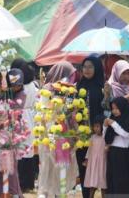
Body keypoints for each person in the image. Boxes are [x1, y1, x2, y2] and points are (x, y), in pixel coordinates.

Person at [37, 61, 79, 197]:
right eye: (70, 75)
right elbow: (43, 112)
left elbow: (72, 114)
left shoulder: (71, 91)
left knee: (63, 167)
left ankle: (60, 193)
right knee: (49, 166)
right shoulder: (48, 88)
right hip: (50, 131)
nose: (72, 79)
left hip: (66, 131)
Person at [0, 68, 25, 198]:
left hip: (11, 132)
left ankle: (12, 192)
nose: (15, 88)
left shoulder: (22, 94)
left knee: (9, 164)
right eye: (13, 85)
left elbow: (16, 113)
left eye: (18, 85)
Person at [76, 56, 105, 198]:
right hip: (81, 135)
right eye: (84, 66)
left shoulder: (101, 88)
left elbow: (105, 110)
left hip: (96, 134)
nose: (86, 70)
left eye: (90, 67)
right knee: (83, 165)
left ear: (97, 68)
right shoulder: (78, 86)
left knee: (96, 166)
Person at [11, 59, 38, 192]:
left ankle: (19, 182)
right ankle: (29, 182)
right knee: (28, 150)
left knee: (19, 151)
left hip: (19, 117)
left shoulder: (18, 86)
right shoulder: (33, 85)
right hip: (30, 118)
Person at [104, 97, 129, 195]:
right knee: (112, 181)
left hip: (122, 155)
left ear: (122, 107)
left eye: (116, 108)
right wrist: (105, 126)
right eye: (113, 108)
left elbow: (126, 134)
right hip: (112, 153)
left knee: (122, 182)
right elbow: (105, 137)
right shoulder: (113, 119)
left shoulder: (128, 118)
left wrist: (113, 124)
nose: (114, 111)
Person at [84, 116, 107, 197]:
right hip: (93, 163)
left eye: (97, 126)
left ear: (102, 126)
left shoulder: (105, 137)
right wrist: (86, 159)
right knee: (92, 184)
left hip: (102, 163)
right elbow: (89, 149)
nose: (95, 128)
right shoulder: (93, 137)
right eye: (94, 126)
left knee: (103, 184)